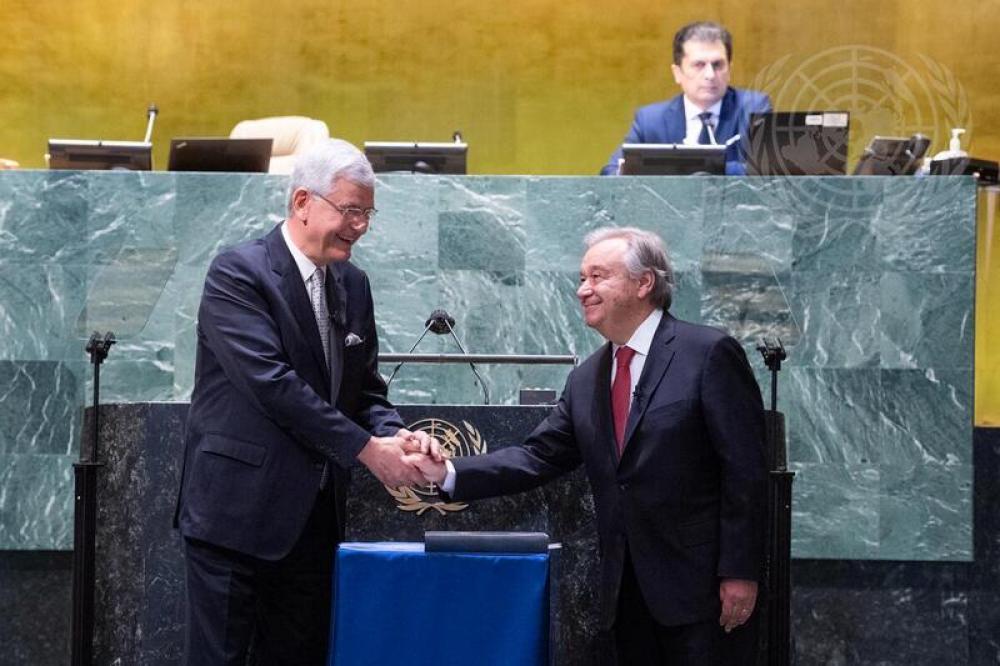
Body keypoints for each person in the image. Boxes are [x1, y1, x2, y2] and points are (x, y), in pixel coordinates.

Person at [415, 227, 767, 665]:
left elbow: (746, 471)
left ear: (644, 283)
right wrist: (449, 472)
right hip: (624, 598)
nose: (583, 290)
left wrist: (739, 571)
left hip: (702, 594)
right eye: (581, 278)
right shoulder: (587, 378)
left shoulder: (708, 353)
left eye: (598, 276)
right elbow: (537, 456)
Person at [174, 139, 433, 665]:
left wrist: (396, 435)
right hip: (235, 518)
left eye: (367, 212)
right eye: (350, 210)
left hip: (313, 522)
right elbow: (273, 384)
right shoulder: (238, 274)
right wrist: (367, 450)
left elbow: (364, 390)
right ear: (302, 202)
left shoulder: (353, 284)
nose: (360, 225)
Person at [600, 21, 772, 176]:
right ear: (677, 73)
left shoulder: (753, 108)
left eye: (718, 65)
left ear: (730, 70)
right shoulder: (650, 120)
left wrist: (691, 166)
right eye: (699, 65)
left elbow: (771, 173)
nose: (710, 75)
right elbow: (611, 171)